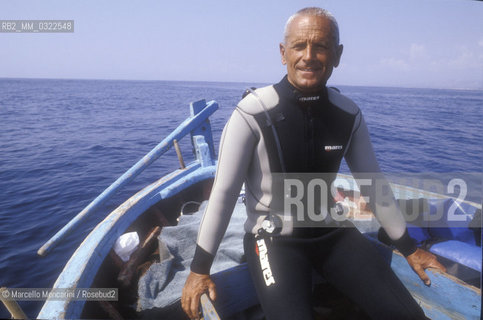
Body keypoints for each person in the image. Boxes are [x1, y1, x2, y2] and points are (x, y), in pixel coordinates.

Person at [182, 7, 445, 320]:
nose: (309, 56)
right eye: (299, 46)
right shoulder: (252, 112)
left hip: (332, 234)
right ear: (283, 53)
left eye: (321, 46)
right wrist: (199, 268)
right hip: (272, 239)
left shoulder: (348, 114)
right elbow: (224, 194)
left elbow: (374, 186)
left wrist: (410, 248)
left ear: (337, 54)